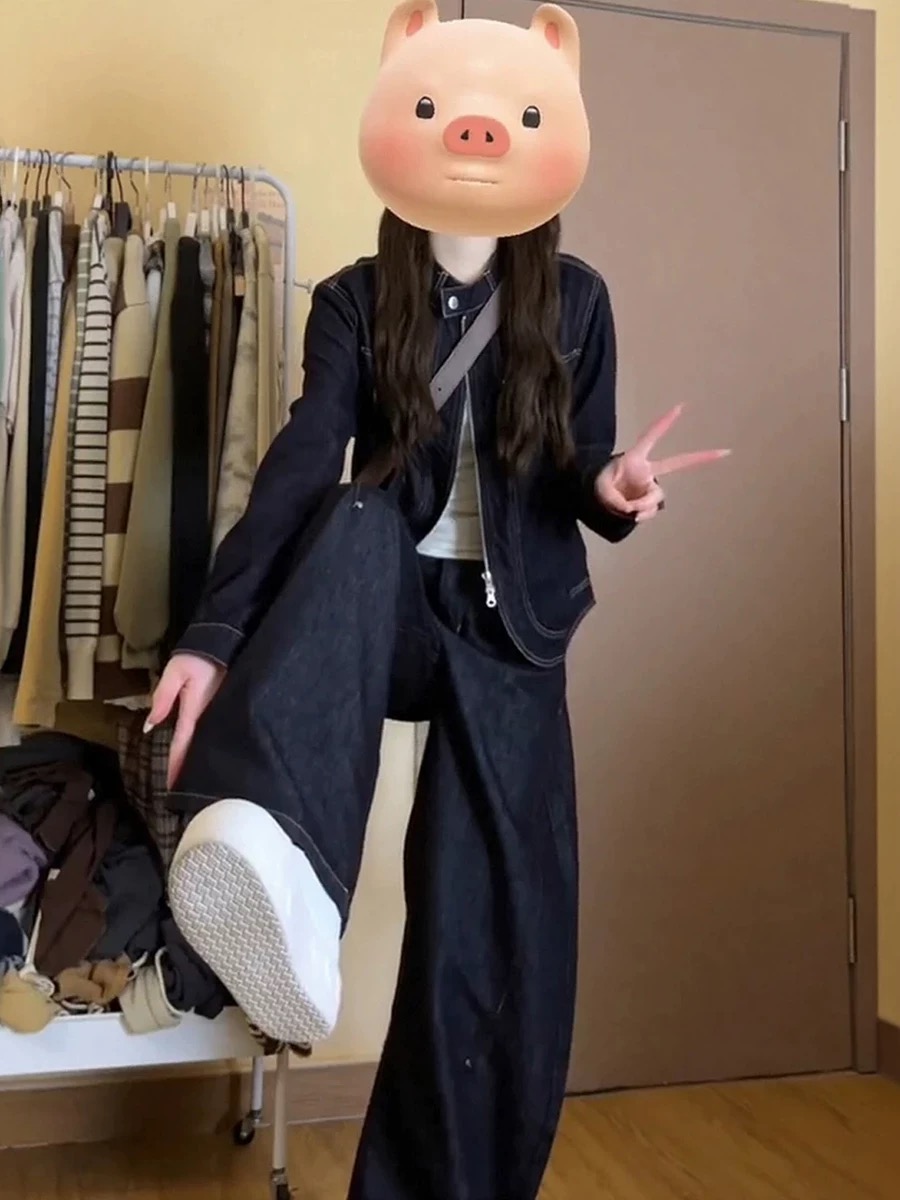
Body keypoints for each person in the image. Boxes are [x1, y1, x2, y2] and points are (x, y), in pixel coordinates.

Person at [147, 4, 729, 1197]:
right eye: (440, 109)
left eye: (513, 114)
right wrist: (212, 638)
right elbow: (302, 464)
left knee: (494, 925)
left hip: (514, 628)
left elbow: (578, 465)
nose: (475, 133)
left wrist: (612, 490)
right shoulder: (355, 301)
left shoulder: (577, 300)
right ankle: (286, 867)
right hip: (391, 613)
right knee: (356, 515)